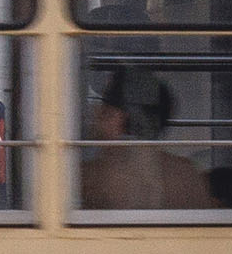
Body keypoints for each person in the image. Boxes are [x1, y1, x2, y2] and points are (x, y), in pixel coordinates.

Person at [81, 68, 216, 211]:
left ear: (121, 119)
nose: (95, 115)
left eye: (105, 110)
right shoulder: (186, 173)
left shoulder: (91, 176)